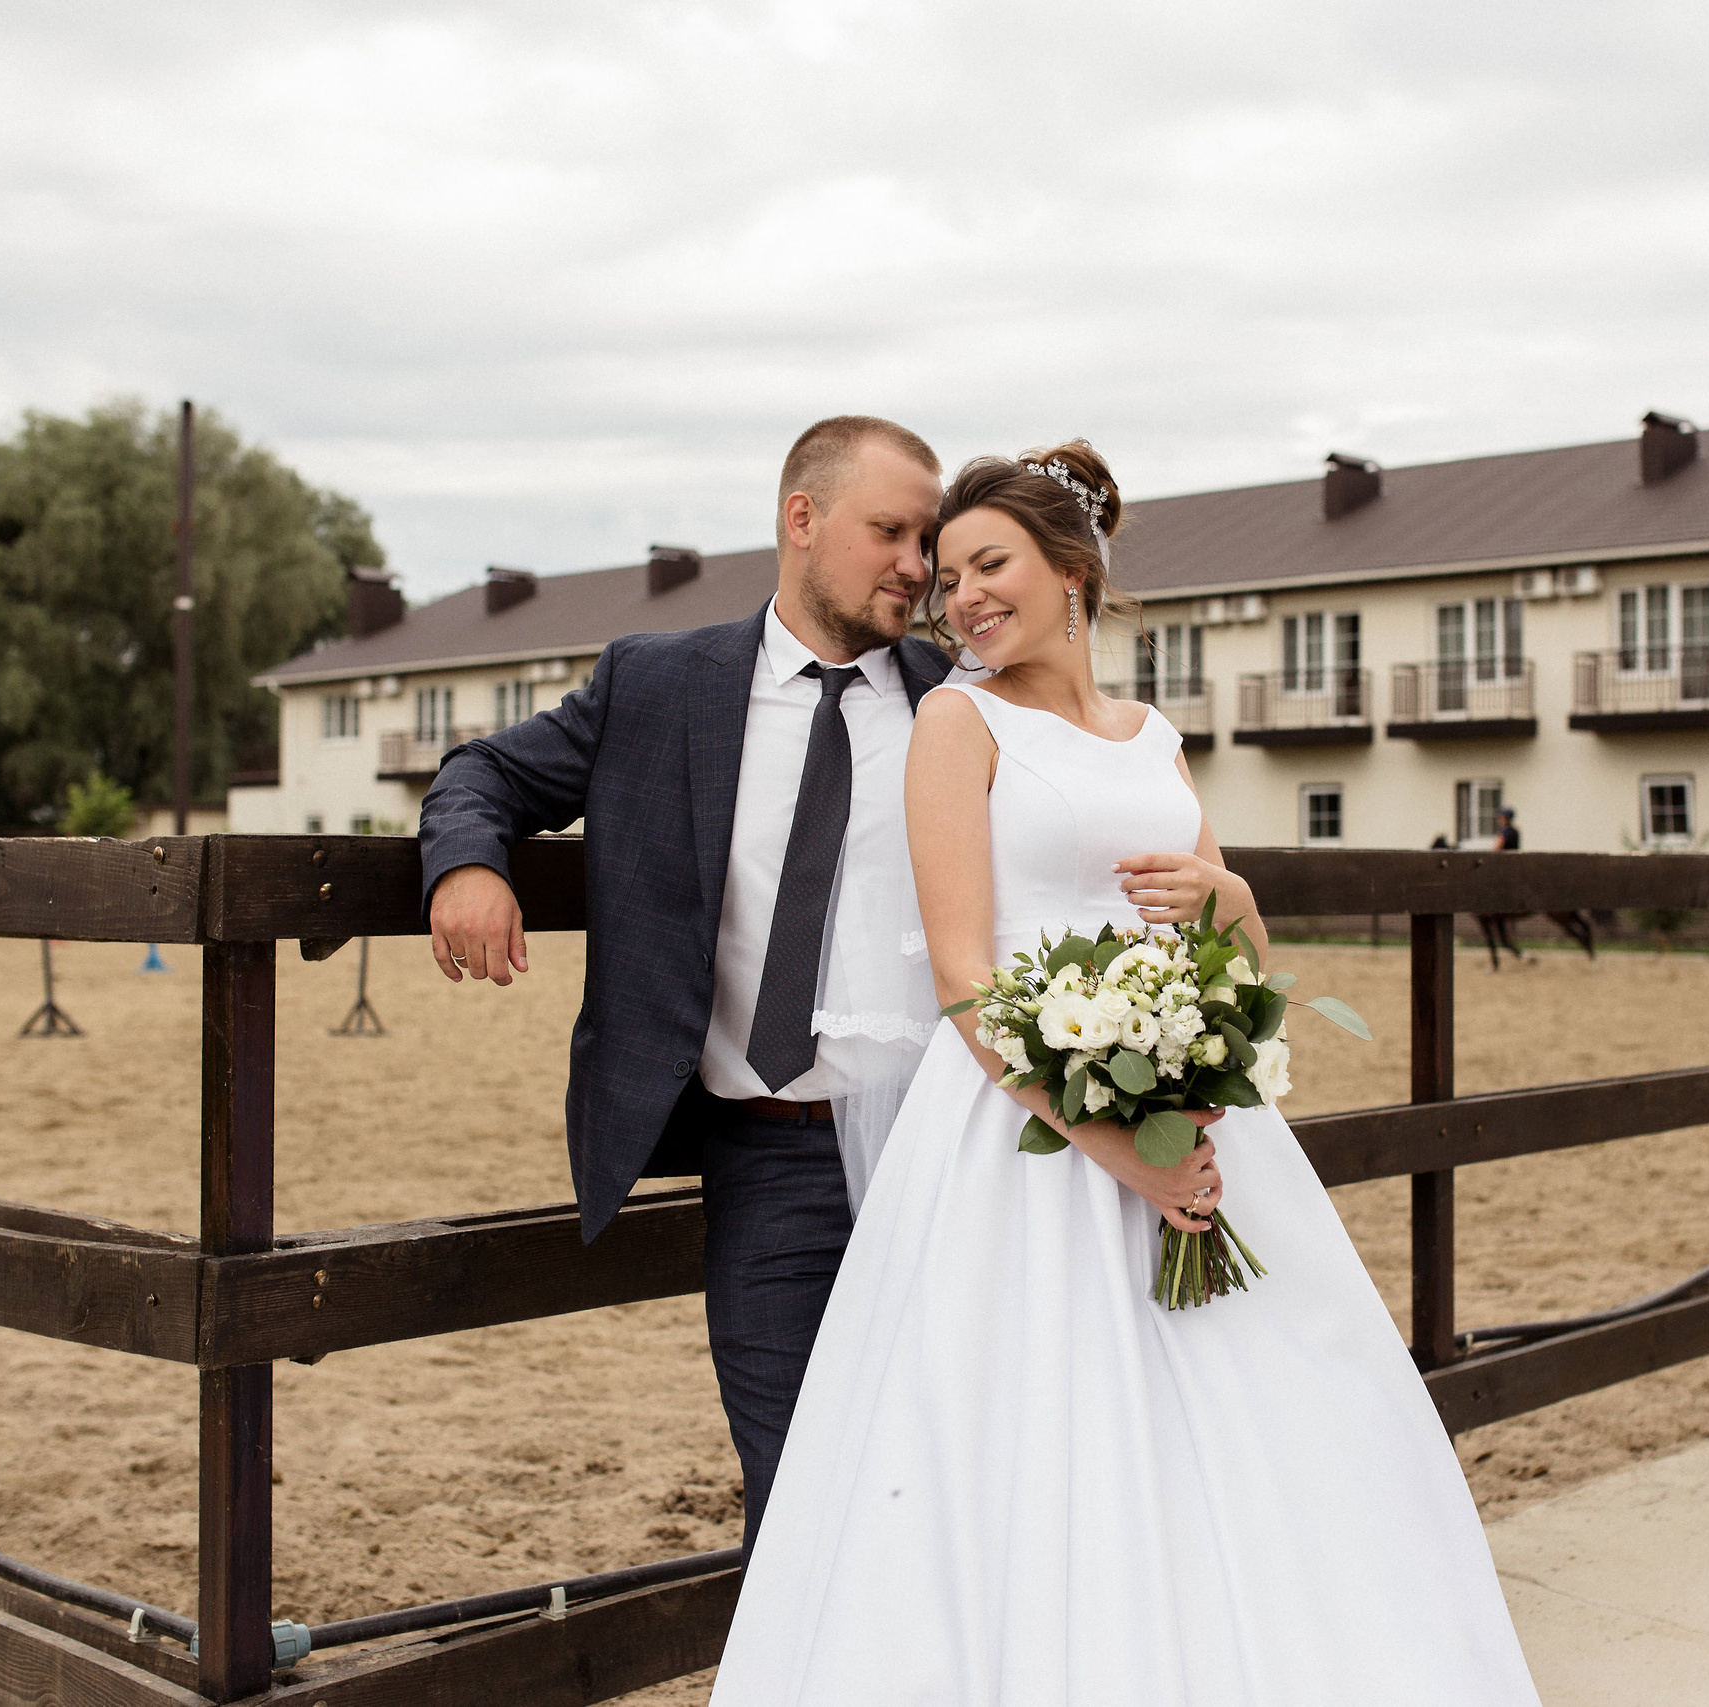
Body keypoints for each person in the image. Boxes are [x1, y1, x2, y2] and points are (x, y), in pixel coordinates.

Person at [711, 444, 1542, 1705]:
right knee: (1030, 1441)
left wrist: (1233, 896)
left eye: (989, 566)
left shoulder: (1152, 738)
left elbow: (1238, 960)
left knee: (1268, 1416)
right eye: (945, 580)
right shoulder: (956, 719)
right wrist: (1106, 1144)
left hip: (1189, 1118)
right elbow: (961, 979)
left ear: (1074, 570)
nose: (961, 600)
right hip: (1017, 1144)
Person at [418, 415, 958, 1540]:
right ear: (800, 521)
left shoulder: (961, 699)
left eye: (929, 538)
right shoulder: (656, 684)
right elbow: (482, 774)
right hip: (765, 1163)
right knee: (799, 1501)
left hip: (945, 1157)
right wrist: (467, 867)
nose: (920, 565)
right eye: (892, 532)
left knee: (944, 1483)